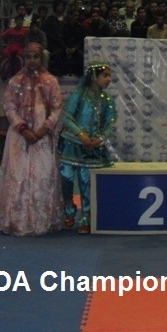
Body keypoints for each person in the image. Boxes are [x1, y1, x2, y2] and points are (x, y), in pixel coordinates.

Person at [0, 43, 64, 237]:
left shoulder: (50, 81)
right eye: (29, 57)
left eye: (36, 57)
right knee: (19, 175)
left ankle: (42, 220)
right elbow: (9, 106)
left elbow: (57, 108)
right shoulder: (15, 81)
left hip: (43, 137)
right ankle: (17, 220)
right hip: (19, 137)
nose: (32, 61)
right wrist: (23, 128)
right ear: (24, 59)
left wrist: (43, 130)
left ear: (42, 58)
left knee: (42, 174)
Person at [58, 60, 117, 234]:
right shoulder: (78, 95)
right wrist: (81, 135)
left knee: (86, 182)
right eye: (105, 75)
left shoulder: (107, 100)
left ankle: (86, 216)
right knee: (66, 178)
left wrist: (99, 139)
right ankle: (69, 210)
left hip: (92, 147)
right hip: (71, 144)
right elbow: (67, 117)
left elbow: (110, 123)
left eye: (110, 76)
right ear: (93, 76)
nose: (108, 79)